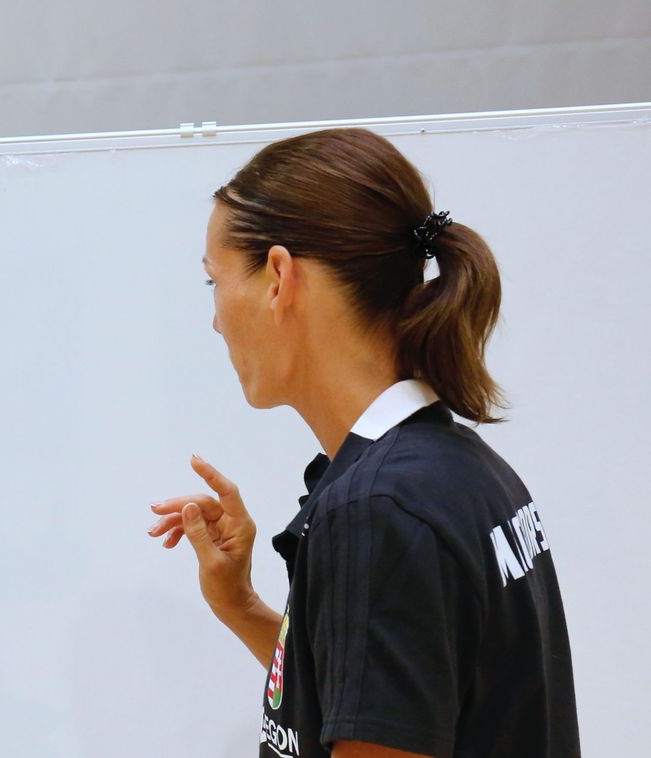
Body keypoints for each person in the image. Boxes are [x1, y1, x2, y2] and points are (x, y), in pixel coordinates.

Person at [146, 128, 579, 757]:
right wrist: (242, 605)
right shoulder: (457, 471)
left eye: (214, 281)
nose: (215, 320)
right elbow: (378, 705)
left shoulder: (377, 512)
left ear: (277, 278)